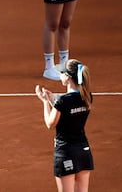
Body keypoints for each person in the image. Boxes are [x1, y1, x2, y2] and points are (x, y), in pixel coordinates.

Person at [35, 59, 94, 192]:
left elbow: (50, 124)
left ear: (67, 78)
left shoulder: (62, 101)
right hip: (83, 151)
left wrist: (45, 102)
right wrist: (54, 102)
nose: (60, 75)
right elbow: (69, 114)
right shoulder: (88, 97)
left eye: (62, 73)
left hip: (65, 152)